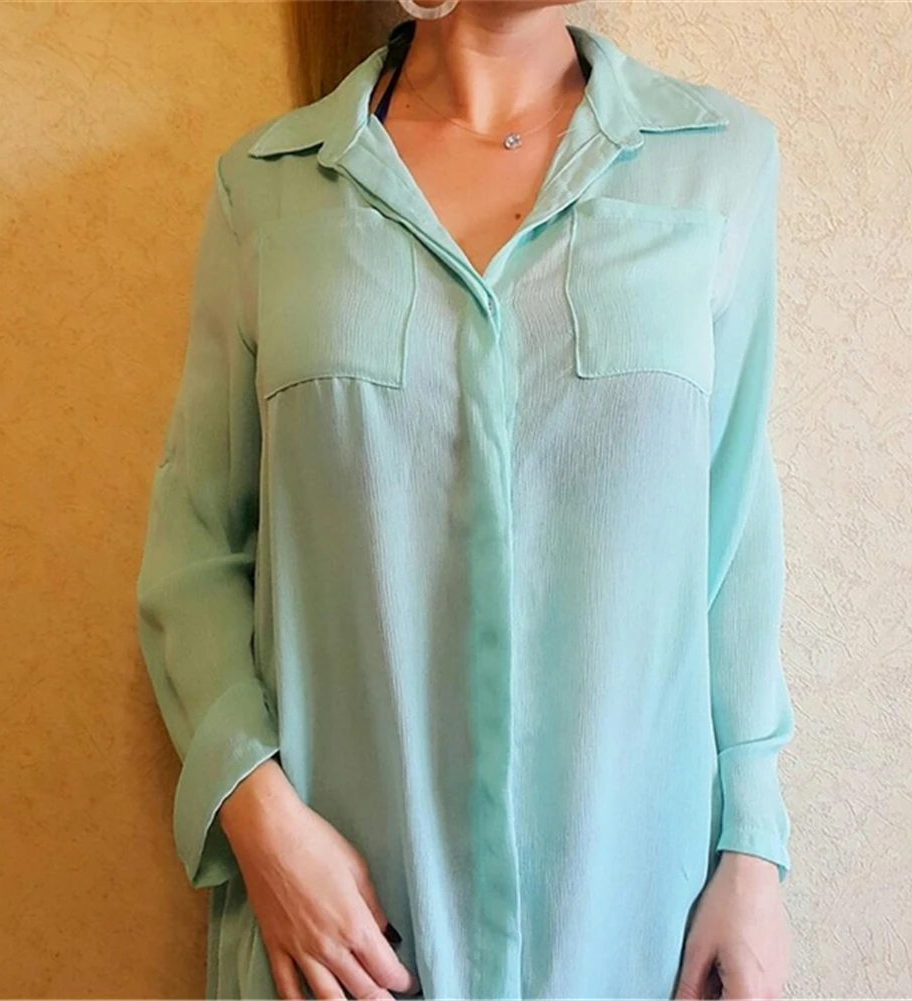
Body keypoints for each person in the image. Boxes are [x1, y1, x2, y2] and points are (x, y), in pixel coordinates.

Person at [134, 2, 796, 999]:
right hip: (343, 946)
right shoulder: (268, 188)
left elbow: (731, 529)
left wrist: (749, 850)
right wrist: (257, 818)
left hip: (633, 928)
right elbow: (194, 546)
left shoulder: (715, 163)